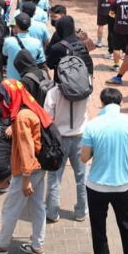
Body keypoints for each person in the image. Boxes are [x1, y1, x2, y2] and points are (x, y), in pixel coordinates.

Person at [81, 87, 128, 254]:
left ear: (102, 103)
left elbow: (84, 157)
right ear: (120, 102)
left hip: (96, 187)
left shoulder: (92, 125)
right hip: (122, 186)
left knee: (99, 229)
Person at [44, 15, 93, 223]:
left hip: (60, 137)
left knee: (55, 177)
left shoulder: (54, 93)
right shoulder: (87, 88)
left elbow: (47, 117)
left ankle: (52, 212)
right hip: (81, 135)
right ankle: (82, 211)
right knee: (82, 177)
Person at [0, 79, 49, 254]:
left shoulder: (22, 117)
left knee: (10, 208)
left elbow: (26, 148)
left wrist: (25, 178)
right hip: (39, 167)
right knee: (38, 207)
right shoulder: (32, 108)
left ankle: (1, 245)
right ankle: (37, 245)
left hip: (27, 170)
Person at [3, 13, 45, 81]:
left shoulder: (8, 41)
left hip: (12, 82)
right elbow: (40, 60)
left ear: (16, 25)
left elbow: (4, 53)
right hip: (29, 81)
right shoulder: (37, 42)